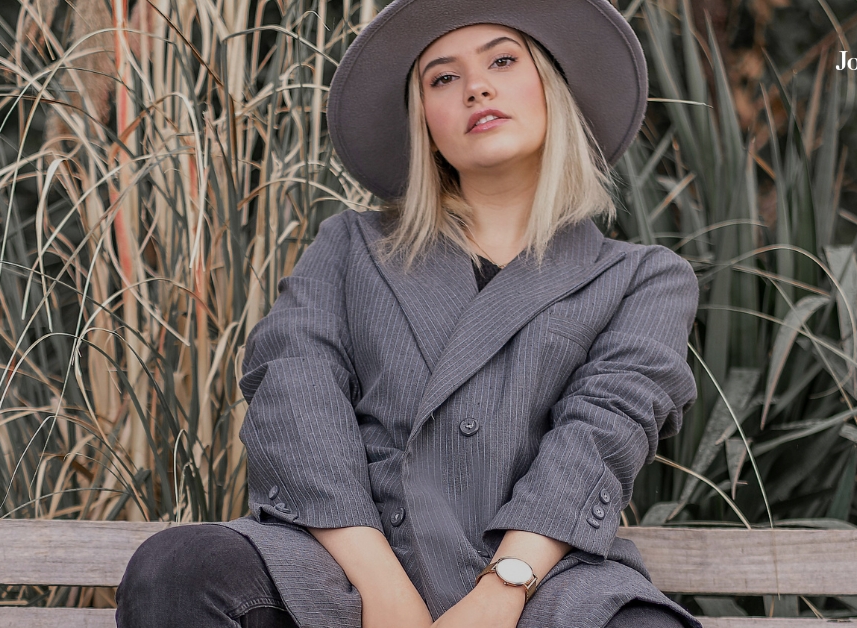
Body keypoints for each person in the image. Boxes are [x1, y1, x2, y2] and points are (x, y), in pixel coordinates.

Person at [116, 1, 701, 627]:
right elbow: (294, 394)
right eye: (443, 77)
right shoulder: (350, 246)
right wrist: (382, 590)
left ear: (553, 88)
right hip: (343, 567)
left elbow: (603, 432)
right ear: (424, 119)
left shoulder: (642, 277)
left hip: (543, 580)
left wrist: (502, 591)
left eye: (503, 61)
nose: (476, 87)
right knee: (177, 570)